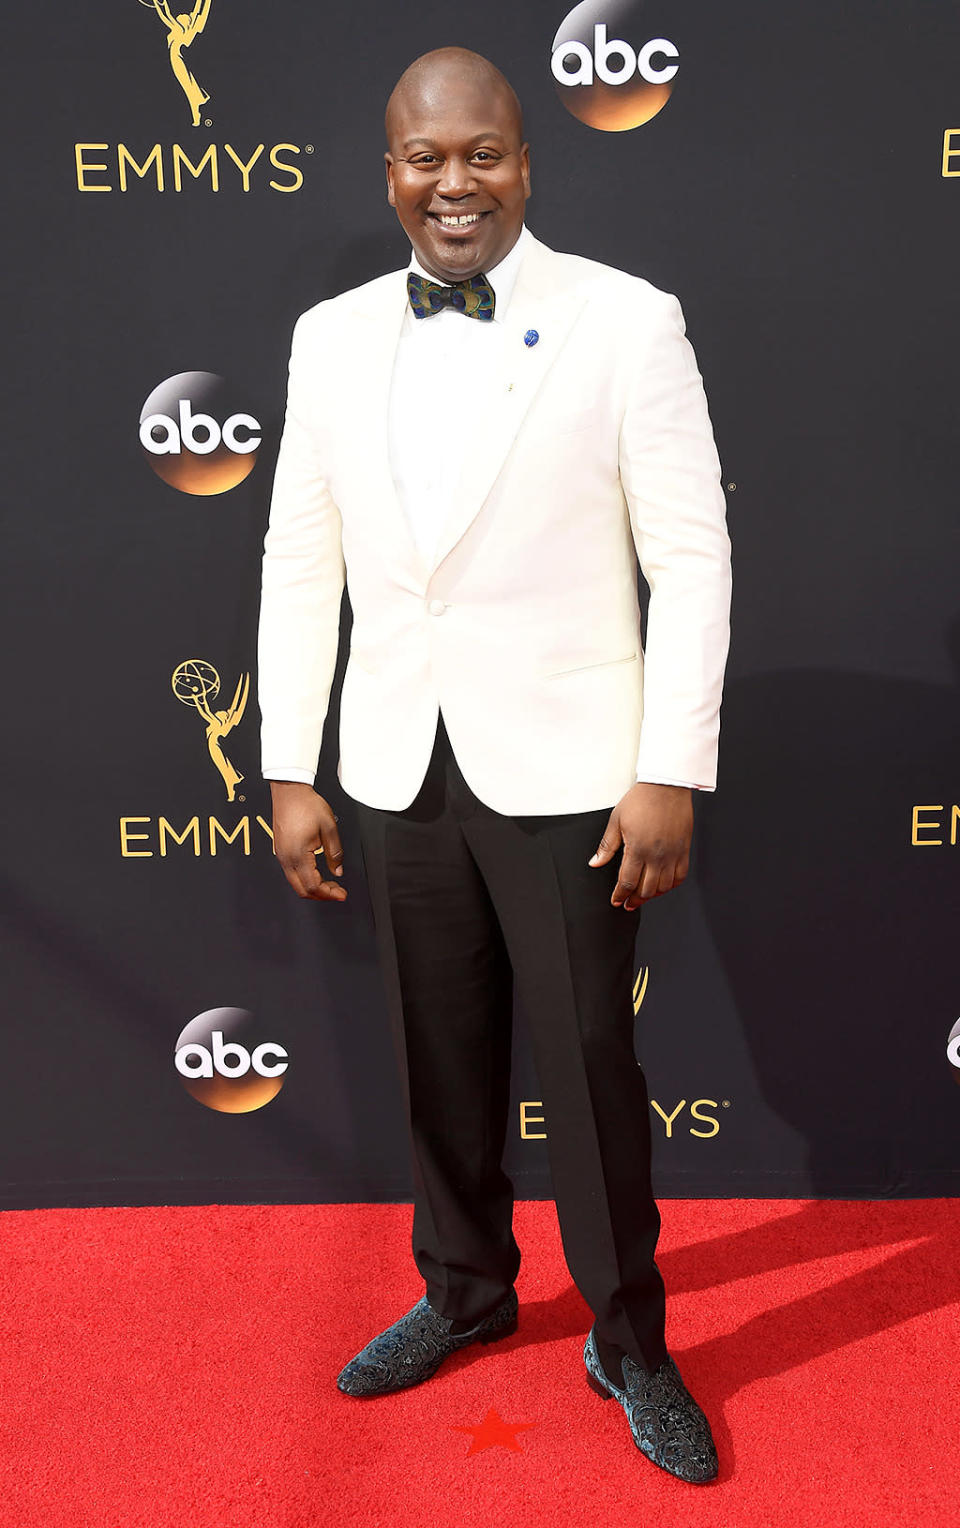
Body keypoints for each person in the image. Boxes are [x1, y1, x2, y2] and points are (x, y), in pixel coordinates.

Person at [257, 46, 731, 1486]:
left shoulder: (624, 320)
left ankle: (629, 1338)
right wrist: (290, 763)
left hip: (577, 767)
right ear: (388, 172)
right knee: (438, 1055)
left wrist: (671, 769)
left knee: (590, 1062)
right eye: (424, 158)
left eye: (482, 155)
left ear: (528, 162)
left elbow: (691, 558)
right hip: (399, 761)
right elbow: (299, 559)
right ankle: (464, 1289)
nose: (452, 182)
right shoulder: (329, 334)